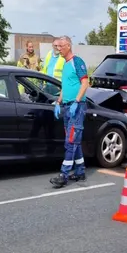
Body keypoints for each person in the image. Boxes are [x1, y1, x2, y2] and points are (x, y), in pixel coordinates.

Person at [50, 36, 90, 188]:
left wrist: (77, 101)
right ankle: (80, 171)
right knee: (75, 140)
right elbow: (65, 87)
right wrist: (58, 102)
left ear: (68, 45)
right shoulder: (65, 64)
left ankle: (64, 174)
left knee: (70, 141)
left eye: (60, 46)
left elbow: (85, 83)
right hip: (67, 106)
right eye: (57, 46)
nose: (58, 49)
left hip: (76, 107)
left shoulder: (77, 62)